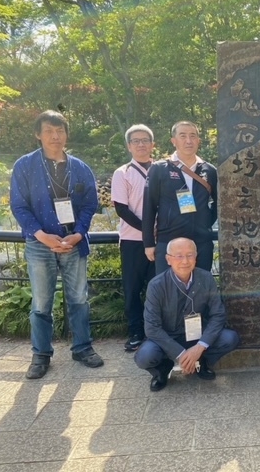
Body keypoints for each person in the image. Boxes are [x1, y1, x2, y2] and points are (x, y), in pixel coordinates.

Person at [10, 110, 103, 379]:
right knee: (41, 302)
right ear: (38, 134)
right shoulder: (24, 166)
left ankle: (82, 347)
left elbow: (90, 204)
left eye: (60, 130)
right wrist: (41, 235)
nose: (55, 136)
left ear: (66, 134)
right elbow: (19, 205)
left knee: (79, 299)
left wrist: (79, 233)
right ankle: (41, 354)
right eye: (49, 131)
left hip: (73, 242)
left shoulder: (80, 167)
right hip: (40, 244)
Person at [134, 238, 240, 392]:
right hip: (168, 337)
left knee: (230, 338)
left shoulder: (206, 278)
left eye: (190, 255)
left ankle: (202, 361)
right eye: (179, 256)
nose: (185, 261)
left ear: (196, 257)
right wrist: (181, 354)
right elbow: (151, 328)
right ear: (168, 259)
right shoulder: (157, 285)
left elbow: (218, 314)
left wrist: (199, 347)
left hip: (197, 335)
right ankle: (162, 370)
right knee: (145, 356)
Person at [142, 121, 217, 274]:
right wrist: (148, 243)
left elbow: (217, 204)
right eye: (183, 136)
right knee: (168, 286)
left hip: (201, 242)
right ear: (173, 141)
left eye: (193, 136)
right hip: (169, 241)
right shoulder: (159, 169)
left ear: (198, 140)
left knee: (201, 285)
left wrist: (204, 223)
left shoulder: (209, 170)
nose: (188, 141)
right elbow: (149, 206)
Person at [111, 124, 156, 352]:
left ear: (152, 144)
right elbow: (122, 209)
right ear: (129, 146)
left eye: (145, 140)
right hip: (132, 241)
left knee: (158, 289)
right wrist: (148, 232)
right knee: (132, 289)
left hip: (161, 241)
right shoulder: (122, 173)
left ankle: (156, 332)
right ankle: (136, 333)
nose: (141, 144)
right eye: (135, 141)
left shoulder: (163, 170)